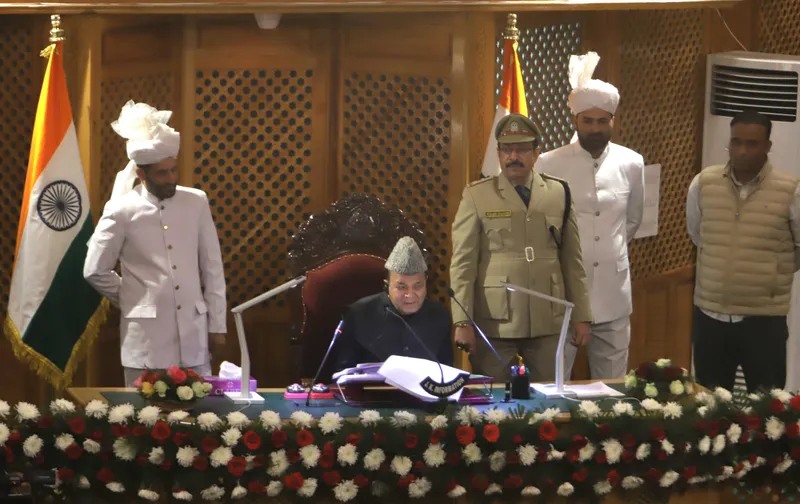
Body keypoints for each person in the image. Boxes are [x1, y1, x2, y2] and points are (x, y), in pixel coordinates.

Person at [84, 100, 227, 387]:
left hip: (194, 336)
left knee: (201, 412)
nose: (171, 178)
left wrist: (217, 323)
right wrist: (133, 297)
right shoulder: (121, 209)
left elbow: (212, 267)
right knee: (144, 411)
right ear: (141, 174)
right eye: (162, 173)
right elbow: (94, 270)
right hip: (145, 342)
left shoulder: (196, 201)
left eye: (173, 170)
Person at [450, 113, 593, 381]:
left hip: (547, 317)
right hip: (495, 320)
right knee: (493, 397)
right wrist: (462, 321)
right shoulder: (476, 195)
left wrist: (582, 315)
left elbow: (572, 260)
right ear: (498, 153)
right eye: (507, 149)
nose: (513, 156)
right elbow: (463, 264)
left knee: (548, 396)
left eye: (522, 149)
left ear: (536, 153)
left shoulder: (559, 193)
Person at [535, 51, 644, 380]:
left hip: (614, 293)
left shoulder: (631, 163)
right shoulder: (549, 163)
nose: (595, 129)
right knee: (555, 382)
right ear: (576, 121)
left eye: (602, 121)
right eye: (588, 121)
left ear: (612, 121)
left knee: (613, 385)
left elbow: (632, 221)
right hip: (563, 296)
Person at [687, 110, 800, 393]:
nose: (742, 151)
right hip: (710, 318)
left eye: (752, 144)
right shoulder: (704, 183)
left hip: (763, 321)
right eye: (736, 142)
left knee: (768, 407)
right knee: (708, 407)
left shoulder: (791, 190)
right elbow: (698, 234)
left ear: (768, 146)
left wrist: (771, 272)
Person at [333, 236, 453, 372]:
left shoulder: (440, 316)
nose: (410, 295)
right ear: (387, 285)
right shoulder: (358, 314)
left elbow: (448, 372)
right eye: (401, 287)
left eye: (418, 286)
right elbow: (342, 373)